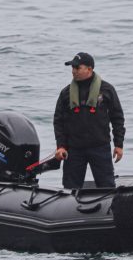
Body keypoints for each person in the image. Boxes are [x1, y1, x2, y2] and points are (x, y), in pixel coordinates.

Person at [53, 52, 125, 189]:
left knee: (107, 187)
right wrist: (60, 146)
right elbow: (58, 121)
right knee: (70, 189)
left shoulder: (107, 90)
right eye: (72, 68)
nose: (73, 71)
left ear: (89, 69)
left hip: (100, 147)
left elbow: (117, 118)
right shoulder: (65, 93)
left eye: (77, 68)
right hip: (73, 150)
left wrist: (119, 144)